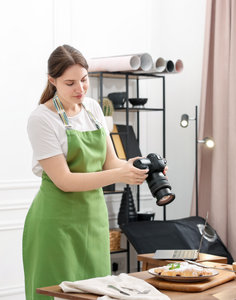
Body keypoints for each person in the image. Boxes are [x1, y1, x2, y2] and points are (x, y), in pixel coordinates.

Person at [22, 45, 149, 300]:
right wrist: (118, 175)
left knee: (97, 293)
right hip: (56, 225)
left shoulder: (93, 109)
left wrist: (139, 165)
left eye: (84, 80)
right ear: (52, 80)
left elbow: (110, 162)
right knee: (55, 294)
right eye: (70, 83)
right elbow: (65, 180)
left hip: (93, 221)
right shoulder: (42, 119)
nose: (79, 89)